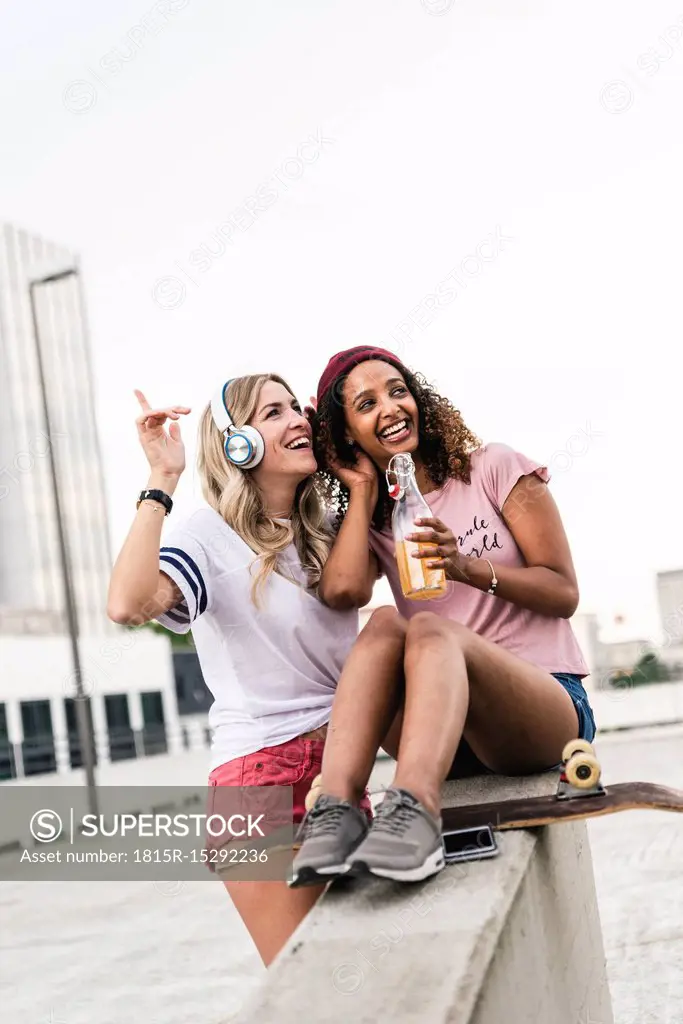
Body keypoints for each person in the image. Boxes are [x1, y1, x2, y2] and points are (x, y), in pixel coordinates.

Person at [106, 374, 405, 966]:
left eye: (297, 407)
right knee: (310, 985)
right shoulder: (208, 536)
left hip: (338, 774)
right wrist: (162, 478)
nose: (297, 419)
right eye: (274, 413)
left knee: (369, 976)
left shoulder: (323, 530)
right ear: (238, 444)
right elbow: (126, 604)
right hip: (260, 783)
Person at [291, 345, 596, 885]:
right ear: (346, 435)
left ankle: (415, 812)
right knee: (384, 624)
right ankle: (335, 812)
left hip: (541, 708)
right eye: (366, 404)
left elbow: (564, 591)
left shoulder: (492, 469)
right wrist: (361, 487)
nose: (389, 407)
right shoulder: (381, 521)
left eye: (397, 391)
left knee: (429, 627)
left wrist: (468, 567)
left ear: (419, 400)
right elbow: (343, 592)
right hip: (444, 733)